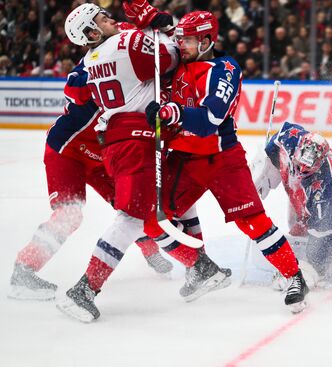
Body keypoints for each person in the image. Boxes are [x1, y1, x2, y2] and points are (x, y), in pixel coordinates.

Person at [56, 3, 228, 322]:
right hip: (135, 137)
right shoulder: (126, 43)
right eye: (101, 19)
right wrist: (159, 23)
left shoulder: (90, 58)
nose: (110, 19)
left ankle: (202, 267)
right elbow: (176, 54)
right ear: (92, 32)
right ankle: (85, 289)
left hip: (122, 137)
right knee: (132, 219)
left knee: (161, 204)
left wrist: (150, 22)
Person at [145, 11, 309, 313]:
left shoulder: (224, 68)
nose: (182, 46)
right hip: (184, 158)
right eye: (181, 39)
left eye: (189, 40)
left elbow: (210, 119)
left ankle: (293, 276)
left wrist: (171, 113)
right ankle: (201, 268)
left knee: (253, 221)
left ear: (207, 40)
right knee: (148, 218)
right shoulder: (179, 64)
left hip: (222, 158)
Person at [8, 59, 173, 301]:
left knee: (131, 207)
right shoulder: (99, 63)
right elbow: (74, 86)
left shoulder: (138, 87)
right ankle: (23, 271)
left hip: (101, 158)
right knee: (69, 215)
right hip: (67, 151)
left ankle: (150, 251)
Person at [253, 122, 332, 285]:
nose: (300, 172)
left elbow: (325, 231)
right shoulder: (290, 137)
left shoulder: (325, 184)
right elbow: (272, 150)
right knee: (298, 227)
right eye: (299, 166)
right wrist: (262, 175)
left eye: (306, 171)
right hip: (317, 187)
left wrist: (309, 270)